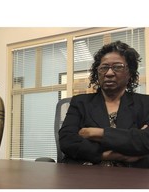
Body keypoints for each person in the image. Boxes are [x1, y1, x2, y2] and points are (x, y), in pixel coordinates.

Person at [59, 40, 149, 168]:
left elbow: (146, 141)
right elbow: (67, 141)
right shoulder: (80, 102)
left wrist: (96, 133)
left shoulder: (145, 103)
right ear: (98, 73)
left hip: (132, 177)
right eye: (104, 67)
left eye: (118, 67)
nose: (109, 73)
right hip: (87, 174)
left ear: (129, 72)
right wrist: (115, 154)